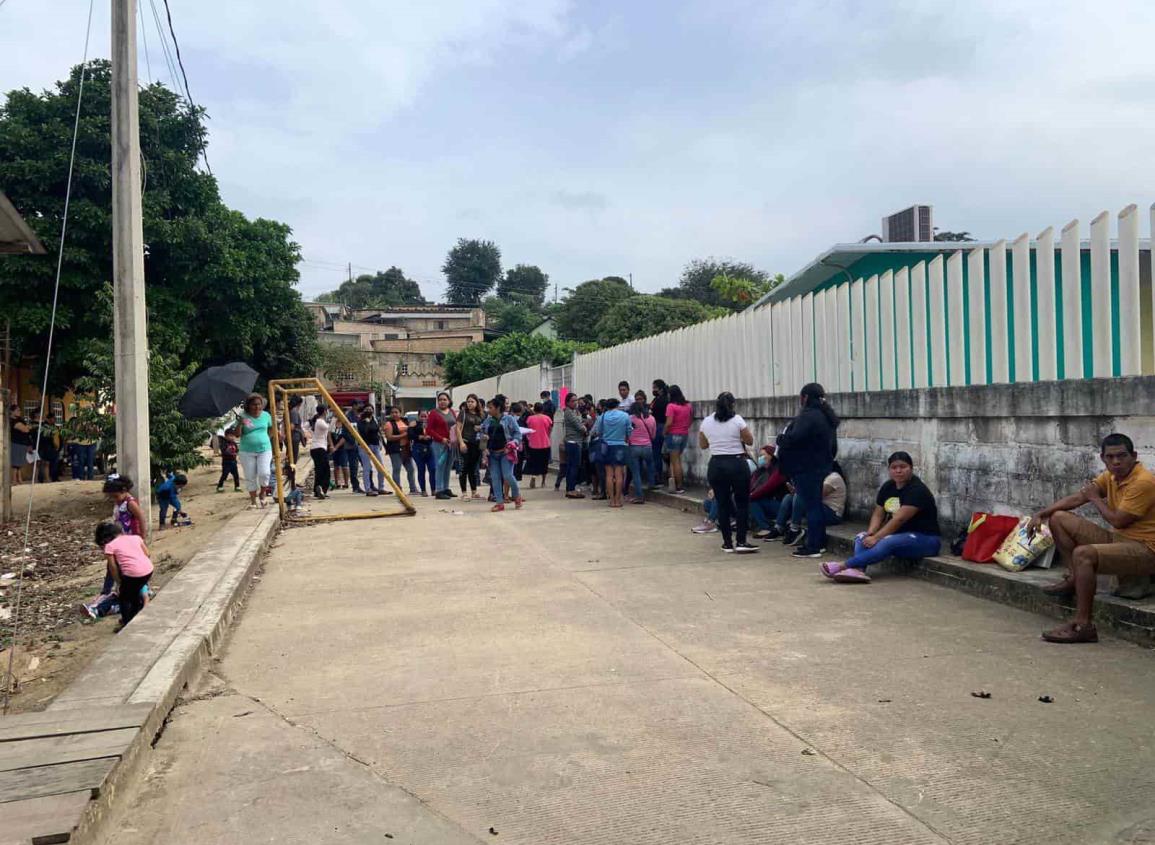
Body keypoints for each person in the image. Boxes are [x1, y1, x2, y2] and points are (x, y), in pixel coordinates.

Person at [1029, 433, 1155, 644]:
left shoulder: (1143, 482)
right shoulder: (1111, 476)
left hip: (1146, 550)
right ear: (1103, 458)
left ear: (1134, 456)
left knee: (1083, 554)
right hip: (1121, 542)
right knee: (1058, 518)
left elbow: (1118, 521)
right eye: (1110, 457)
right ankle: (1074, 579)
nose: (1116, 462)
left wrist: (1095, 498)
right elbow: (1079, 497)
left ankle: (1083, 626)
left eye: (1122, 456)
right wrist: (1041, 513)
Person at [821, 451, 940, 584]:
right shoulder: (888, 486)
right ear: (889, 469)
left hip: (925, 539)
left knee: (886, 542)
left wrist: (877, 537)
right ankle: (858, 571)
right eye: (894, 467)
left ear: (911, 468)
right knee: (862, 537)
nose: (898, 471)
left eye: (903, 467)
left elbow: (899, 519)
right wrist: (871, 532)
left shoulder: (917, 490)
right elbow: (878, 513)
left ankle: (843, 566)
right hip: (898, 535)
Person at [776, 382, 839, 560]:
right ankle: (819, 543)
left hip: (806, 467)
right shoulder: (827, 417)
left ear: (804, 398)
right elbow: (833, 446)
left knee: (811, 506)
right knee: (815, 504)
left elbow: (795, 438)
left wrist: (781, 439)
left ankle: (813, 546)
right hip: (822, 466)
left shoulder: (807, 416)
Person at [698, 392, 759, 554]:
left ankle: (727, 543)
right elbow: (750, 441)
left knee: (722, 504)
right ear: (732, 405)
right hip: (737, 464)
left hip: (717, 464)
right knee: (741, 503)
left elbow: (703, 445)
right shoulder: (737, 420)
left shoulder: (707, 421)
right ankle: (741, 541)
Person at [765, 462, 847, 544]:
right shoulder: (820, 477)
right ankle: (778, 528)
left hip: (832, 514)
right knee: (788, 497)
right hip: (819, 509)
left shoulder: (833, 478)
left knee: (799, 496)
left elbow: (815, 496)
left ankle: (794, 529)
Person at [95, 521, 153, 627]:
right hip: (148, 570)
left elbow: (112, 567)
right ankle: (134, 616)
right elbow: (147, 554)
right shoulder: (136, 537)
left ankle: (127, 624)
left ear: (106, 539)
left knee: (124, 598)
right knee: (134, 595)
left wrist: (119, 582)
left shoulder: (110, 546)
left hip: (132, 574)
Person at [480, 394, 524, 512]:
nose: (488, 410)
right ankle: (499, 503)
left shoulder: (509, 419)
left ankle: (516, 495)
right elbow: (480, 435)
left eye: (491, 408)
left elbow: (518, 434)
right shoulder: (487, 421)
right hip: (492, 454)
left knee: (508, 476)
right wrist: (483, 442)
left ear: (498, 408)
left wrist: (513, 443)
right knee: (495, 478)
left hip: (506, 452)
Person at [234, 394, 274, 509]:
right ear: (249, 406)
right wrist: (241, 423)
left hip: (265, 449)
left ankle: (262, 493)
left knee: (264, 473)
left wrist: (267, 438)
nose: (257, 407)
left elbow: (271, 428)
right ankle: (253, 501)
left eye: (259, 404)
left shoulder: (266, 415)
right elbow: (237, 434)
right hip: (247, 451)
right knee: (250, 476)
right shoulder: (243, 416)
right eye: (254, 404)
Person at [594, 398, 631, 508]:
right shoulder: (624, 416)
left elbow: (599, 431)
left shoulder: (603, 416)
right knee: (619, 474)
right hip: (620, 445)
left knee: (609, 474)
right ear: (617, 405)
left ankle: (611, 501)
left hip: (607, 446)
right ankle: (618, 500)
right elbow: (629, 430)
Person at [749, 446, 789, 536]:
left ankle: (765, 527)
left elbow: (767, 487)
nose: (760, 458)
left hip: (780, 504)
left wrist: (750, 496)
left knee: (751, 501)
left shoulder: (778, 470)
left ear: (771, 456)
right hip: (767, 502)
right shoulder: (760, 471)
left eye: (763, 455)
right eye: (759, 456)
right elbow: (751, 484)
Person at [424, 392, 458, 499]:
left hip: (451, 443)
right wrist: (441, 438)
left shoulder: (452, 411)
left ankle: (446, 488)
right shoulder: (433, 413)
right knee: (440, 466)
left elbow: (456, 426)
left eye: (444, 399)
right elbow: (429, 430)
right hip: (439, 444)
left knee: (448, 466)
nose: (442, 402)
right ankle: (439, 490)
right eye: (440, 400)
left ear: (449, 401)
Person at [626, 395, 656, 503]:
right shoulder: (651, 418)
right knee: (650, 465)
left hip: (634, 447)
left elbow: (627, 433)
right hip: (648, 446)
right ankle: (652, 484)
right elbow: (653, 434)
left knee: (636, 472)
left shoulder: (630, 419)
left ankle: (639, 496)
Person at [663, 385, 692, 494]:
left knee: (675, 461)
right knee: (677, 460)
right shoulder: (688, 405)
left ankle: (678, 486)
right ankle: (676, 484)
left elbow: (669, 423)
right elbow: (690, 420)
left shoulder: (671, 406)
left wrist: (664, 432)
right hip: (684, 434)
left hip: (673, 434)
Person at [384, 406, 418, 496]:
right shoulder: (389, 424)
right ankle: (398, 490)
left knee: (411, 469)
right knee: (397, 469)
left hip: (406, 449)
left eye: (396, 412)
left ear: (400, 413)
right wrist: (404, 435)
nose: (394, 414)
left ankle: (413, 489)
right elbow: (389, 437)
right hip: (395, 449)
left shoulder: (405, 421)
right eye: (392, 412)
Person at [560, 393, 587, 499]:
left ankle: (570, 488)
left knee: (571, 466)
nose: (575, 402)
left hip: (574, 442)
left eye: (576, 400)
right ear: (567, 402)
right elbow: (580, 427)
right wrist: (584, 427)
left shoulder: (573, 412)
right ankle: (571, 489)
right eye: (573, 401)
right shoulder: (569, 412)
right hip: (574, 442)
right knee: (574, 466)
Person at [457, 395, 484, 498]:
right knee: (464, 468)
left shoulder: (480, 414)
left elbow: (484, 428)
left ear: (477, 403)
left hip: (476, 444)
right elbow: (458, 429)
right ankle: (464, 492)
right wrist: (461, 443)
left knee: (473, 468)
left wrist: (480, 428)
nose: (470, 403)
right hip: (465, 442)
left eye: (472, 401)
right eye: (468, 401)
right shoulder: (463, 413)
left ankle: (474, 491)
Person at [357, 406, 387, 496]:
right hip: (364, 446)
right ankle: (368, 489)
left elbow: (378, 433)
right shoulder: (361, 422)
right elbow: (364, 432)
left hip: (375, 445)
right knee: (367, 468)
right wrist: (367, 422)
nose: (369, 411)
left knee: (381, 467)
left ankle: (381, 488)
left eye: (371, 409)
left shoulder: (374, 420)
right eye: (367, 409)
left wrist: (383, 444)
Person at [524, 403, 553, 489]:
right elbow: (550, 428)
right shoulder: (547, 418)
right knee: (544, 462)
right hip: (545, 443)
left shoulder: (530, 418)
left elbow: (528, 429)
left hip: (533, 443)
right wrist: (547, 435)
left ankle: (533, 477)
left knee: (534, 462)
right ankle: (543, 482)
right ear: (542, 409)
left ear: (534, 410)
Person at [308, 406, 333, 499]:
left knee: (320, 470)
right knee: (325, 470)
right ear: (325, 411)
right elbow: (330, 428)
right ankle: (321, 488)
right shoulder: (320, 422)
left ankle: (318, 489)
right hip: (319, 448)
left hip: (317, 448)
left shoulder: (318, 421)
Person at [409, 410, 436, 496]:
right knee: (421, 469)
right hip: (418, 448)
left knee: (433, 469)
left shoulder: (431, 424)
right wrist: (419, 437)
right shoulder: (414, 424)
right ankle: (423, 490)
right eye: (422, 416)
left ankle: (434, 489)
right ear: (418, 416)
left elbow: (436, 433)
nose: (423, 418)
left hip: (430, 448)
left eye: (425, 416)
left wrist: (431, 436)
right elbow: (410, 434)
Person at [650, 380, 669, 486]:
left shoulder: (661, 400)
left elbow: (653, 411)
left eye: (654, 388)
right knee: (663, 454)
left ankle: (658, 477)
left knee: (656, 453)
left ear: (660, 389)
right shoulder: (663, 399)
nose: (653, 390)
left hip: (658, 426)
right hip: (662, 426)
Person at [36, 413, 62, 482]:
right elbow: (43, 437)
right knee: (45, 463)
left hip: (54, 448)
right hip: (45, 447)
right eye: (53, 418)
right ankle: (43, 479)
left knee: (54, 464)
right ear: (49, 419)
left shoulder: (55, 427)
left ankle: (54, 477)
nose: (54, 420)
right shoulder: (43, 427)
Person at [8, 404, 30, 485]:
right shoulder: (12, 421)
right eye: (17, 410)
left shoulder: (20, 420)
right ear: (12, 411)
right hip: (16, 443)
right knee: (16, 462)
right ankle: (14, 480)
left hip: (21, 443)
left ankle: (19, 479)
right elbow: (25, 429)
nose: (19, 412)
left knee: (19, 463)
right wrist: (27, 427)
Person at [287, 396, 305, 462]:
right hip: (294, 437)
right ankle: (291, 471)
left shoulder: (289, 411)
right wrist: (301, 432)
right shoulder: (294, 411)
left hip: (291, 437)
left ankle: (290, 470)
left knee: (291, 457)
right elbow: (292, 426)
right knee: (293, 458)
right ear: (299, 403)